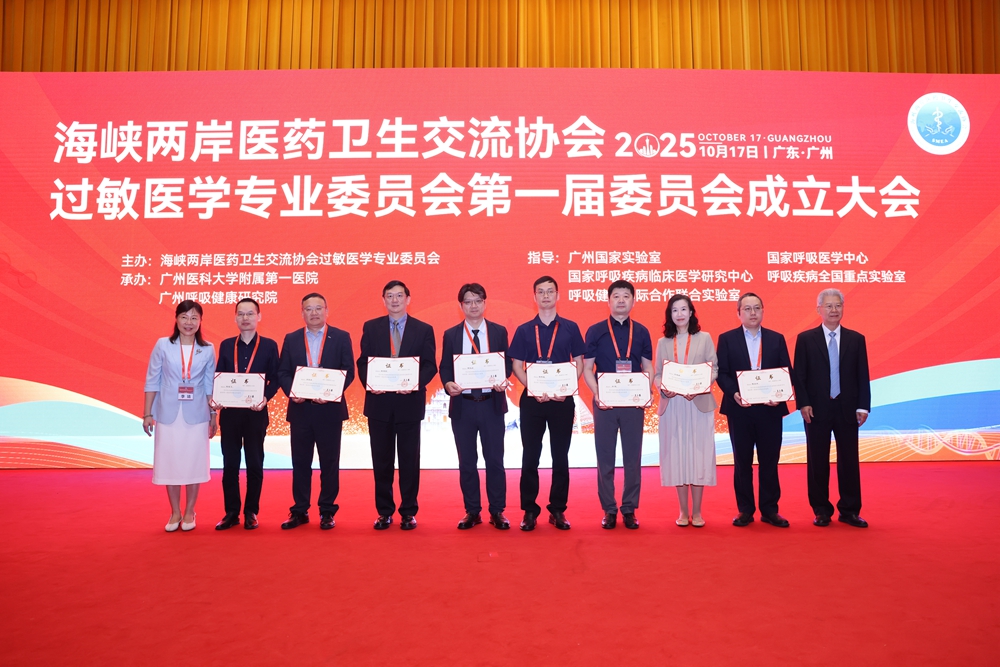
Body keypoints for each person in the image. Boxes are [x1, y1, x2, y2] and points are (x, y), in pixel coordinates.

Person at [357, 280, 438, 531]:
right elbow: (363, 362)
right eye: (390, 296)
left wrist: (414, 383)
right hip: (379, 403)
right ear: (383, 300)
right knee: (381, 461)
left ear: (408, 299)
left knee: (409, 461)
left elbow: (429, 365)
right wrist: (370, 382)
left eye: (399, 295)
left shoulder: (423, 329)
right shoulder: (371, 327)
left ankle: (408, 512)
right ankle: (384, 512)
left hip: (409, 404)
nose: (395, 300)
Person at [508, 276, 586, 531]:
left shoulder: (571, 328)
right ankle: (529, 510)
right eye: (540, 292)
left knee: (560, 457)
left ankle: (558, 510)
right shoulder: (524, 330)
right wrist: (533, 387)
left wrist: (566, 388)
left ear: (557, 295)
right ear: (534, 297)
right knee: (530, 456)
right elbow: (516, 366)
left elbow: (579, 362)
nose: (545, 296)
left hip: (562, 401)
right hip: (533, 402)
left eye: (550, 291)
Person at [276, 293, 355, 530]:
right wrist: (292, 392)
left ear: (326, 311)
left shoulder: (341, 337)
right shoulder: (291, 338)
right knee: (300, 462)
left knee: (329, 463)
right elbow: (283, 372)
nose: (314, 313)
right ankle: (300, 510)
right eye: (308, 309)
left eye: (318, 308)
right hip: (301, 409)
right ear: (302, 313)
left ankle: (327, 510)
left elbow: (348, 371)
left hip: (329, 410)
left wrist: (330, 392)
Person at [793, 288, 871, 528]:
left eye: (838, 305)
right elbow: (799, 375)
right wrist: (803, 403)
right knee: (817, 460)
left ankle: (849, 510)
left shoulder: (856, 339)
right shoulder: (806, 339)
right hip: (816, 409)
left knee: (849, 461)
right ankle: (821, 510)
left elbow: (862, 375)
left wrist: (863, 406)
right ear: (819, 309)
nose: (834, 310)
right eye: (828, 306)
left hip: (848, 408)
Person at [439, 283, 513, 530]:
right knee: (467, 462)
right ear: (461, 306)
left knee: (495, 460)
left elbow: (507, 364)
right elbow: (445, 367)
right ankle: (472, 511)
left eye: (478, 301)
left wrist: (503, 379)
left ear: (485, 303)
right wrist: (448, 383)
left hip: (492, 405)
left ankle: (497, 511)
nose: (473, 306)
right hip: (464, 406)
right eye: (468, 302)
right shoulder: (451, 334)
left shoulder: (499, 331)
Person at [715, 293, 791, 528]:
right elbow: (722, 373)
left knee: (770, 461)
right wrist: (734, 393)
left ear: (763, 311)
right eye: (747, 309)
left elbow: (786, 371)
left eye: (757, 308)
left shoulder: (776, 338)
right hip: (740, 409)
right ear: (738, 313)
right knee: (742, 462)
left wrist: (779, 395)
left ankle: (770, 510)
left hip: (770, 410)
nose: (752, 313)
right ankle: (745, 510)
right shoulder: (727, 339)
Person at [582, 280, 653, 530]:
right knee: (605, 459)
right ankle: (609, 509)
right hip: (605, 404)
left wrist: (645, 392)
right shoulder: (595, 331)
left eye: (626, 296)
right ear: (608, 300)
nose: (621, 300)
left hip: (633, 404)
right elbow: (587, 368)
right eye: (616, 296)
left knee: (633, 459)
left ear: (634, 300)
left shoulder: (642, 331)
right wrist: (597, 393)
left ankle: (629, 509)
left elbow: (648, 367)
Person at [142, 300, 217, 532]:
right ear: (176, 319)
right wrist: (147, 413)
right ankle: (175, 511)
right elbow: (152, 379)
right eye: (184, 317)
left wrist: (213, 414)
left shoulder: (208, 348)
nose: (189, 322)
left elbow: (209, 384)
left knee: (194, 463)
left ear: (200, 321)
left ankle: (190, 511)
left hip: (197, 414)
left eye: (194, 318)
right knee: (170, 463)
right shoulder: (163, 345)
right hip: (168, 413)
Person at [211, 298, 280, 531]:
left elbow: (276, 378)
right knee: (230, 464)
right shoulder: (226, 345)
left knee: (255, 463)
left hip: (255, 413)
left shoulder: (269, 345)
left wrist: (265, 398)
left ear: (259, 317)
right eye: (241, 314)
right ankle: (231, 512)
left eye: (250, 313)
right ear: (235, 318)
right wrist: (217, 399)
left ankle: (251, 511)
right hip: (230, 414)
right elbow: (220, 376)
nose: (245, 318)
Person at [653, 294, 718, 528]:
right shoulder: (663, 342)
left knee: (698, 457)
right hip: (673, 406)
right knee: (678, 457)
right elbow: (657, 374)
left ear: (691, 313)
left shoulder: (705, 338)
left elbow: (714, 368)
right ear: (669, 315)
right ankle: (682, 511)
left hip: (698, 404)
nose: (679, 314)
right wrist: (664, 388)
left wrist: (699, 387)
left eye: (683, 309)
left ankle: (697, 511)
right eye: (674, 310)